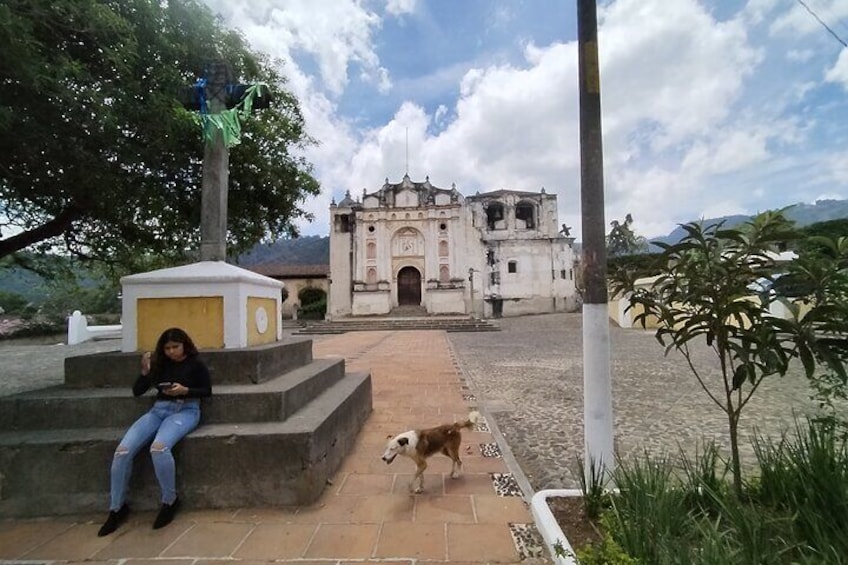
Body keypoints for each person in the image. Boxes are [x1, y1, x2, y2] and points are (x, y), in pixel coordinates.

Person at [97, 327, 212, 536]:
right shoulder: (161, 365)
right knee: (122, 452)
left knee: (158, 448)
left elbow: (207, 391)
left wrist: (185, 390)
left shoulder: (195, 364)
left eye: (175, 347)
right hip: (159, 410)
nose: (171, 352)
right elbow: (137, 391)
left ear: (184, 345)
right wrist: (144, 372)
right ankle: (116, 508)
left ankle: (169, 500)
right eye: (167, 348)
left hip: (185, 410)